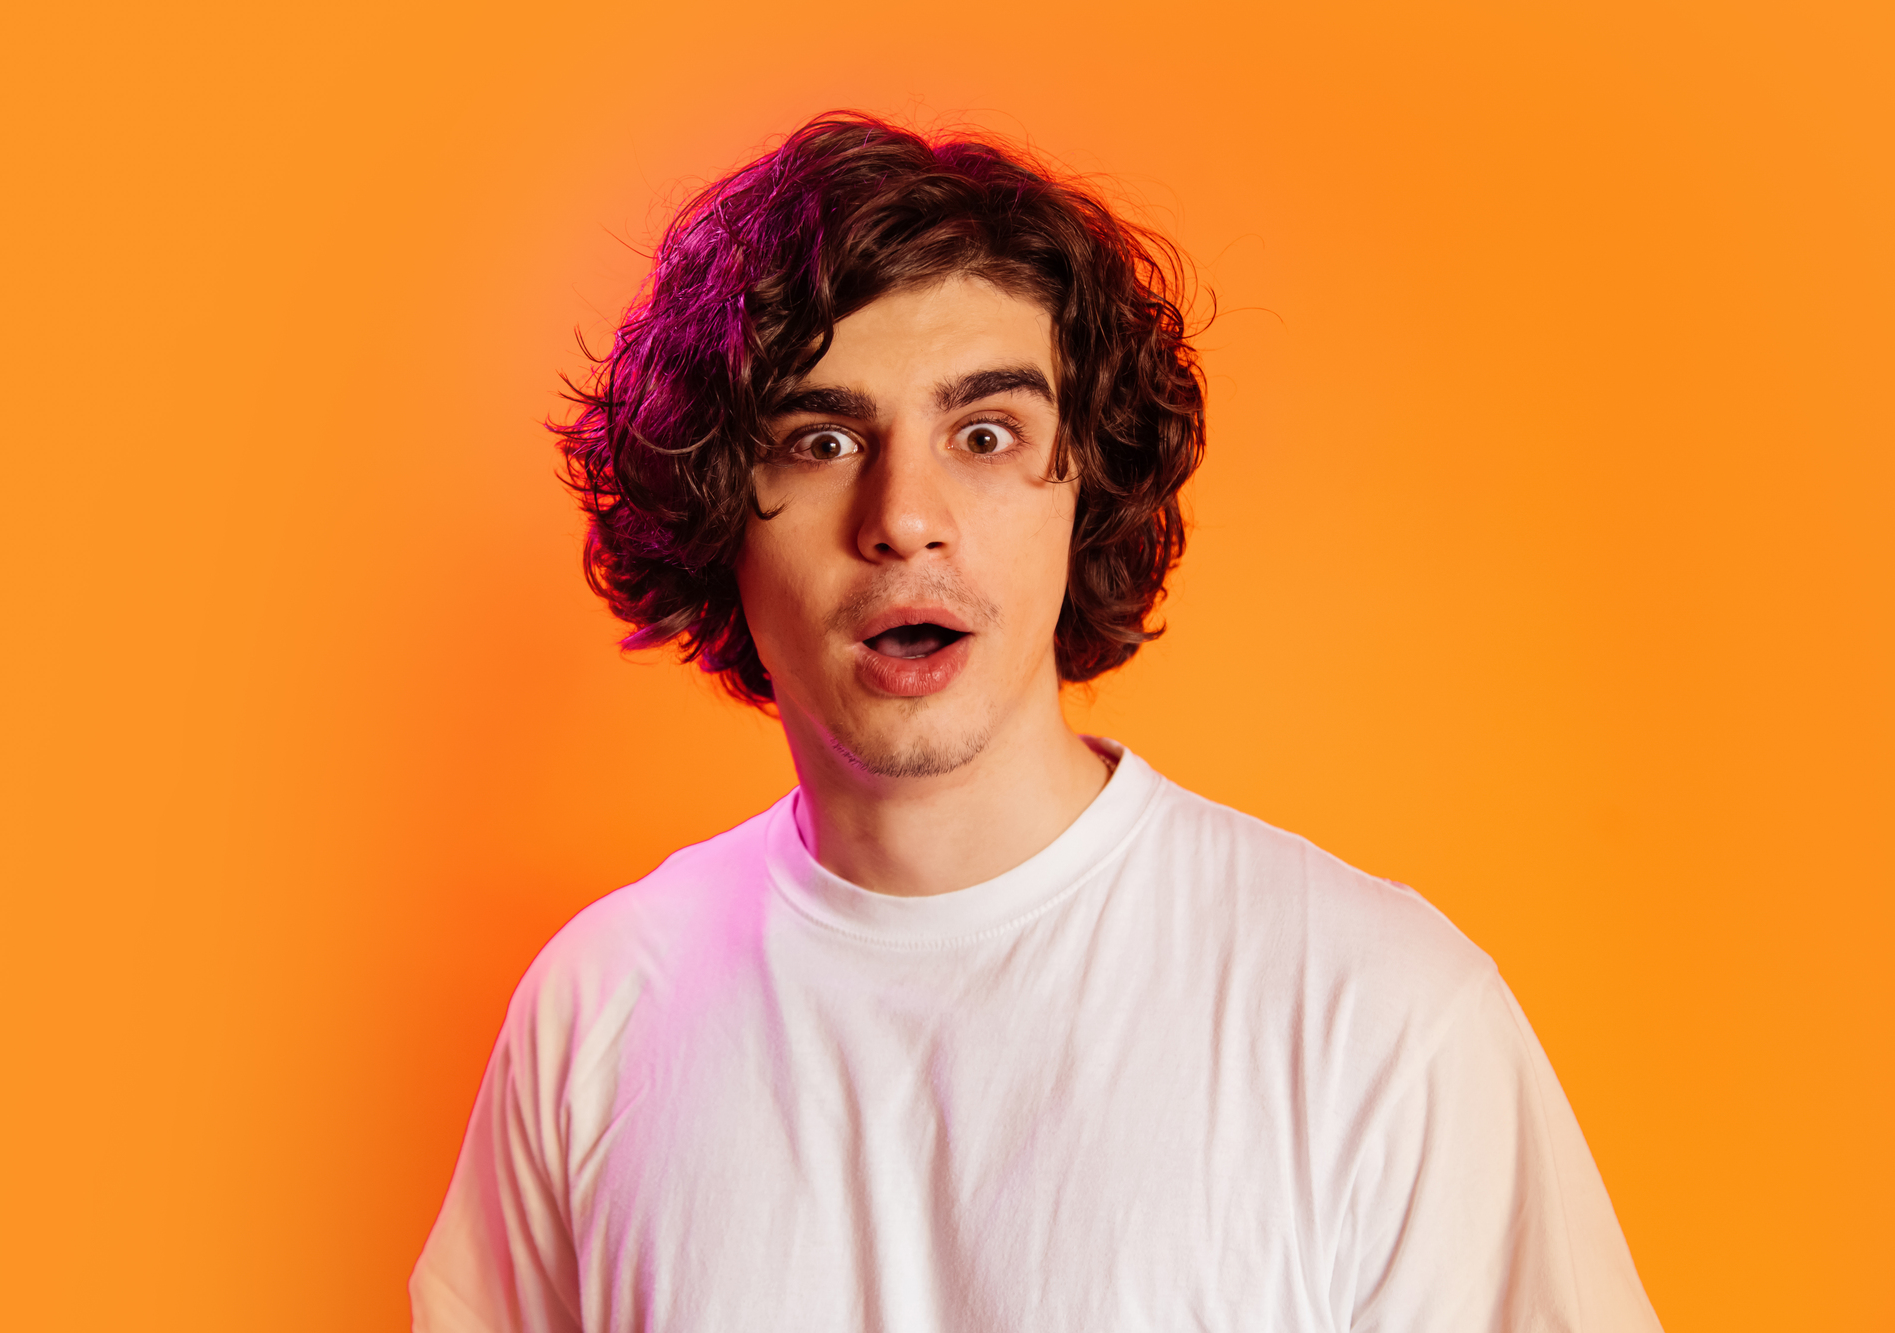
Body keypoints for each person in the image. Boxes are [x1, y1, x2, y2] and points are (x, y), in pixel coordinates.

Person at [411, 112, 1661, 1333]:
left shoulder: (1373, 1011)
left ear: (1085, 490)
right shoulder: (598, 1009)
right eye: (824, 437)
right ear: (715, 511)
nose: (904, 515)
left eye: (986, 433)